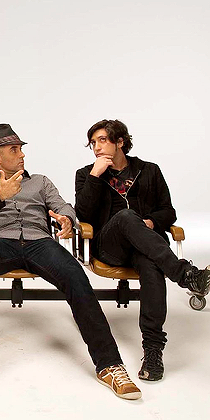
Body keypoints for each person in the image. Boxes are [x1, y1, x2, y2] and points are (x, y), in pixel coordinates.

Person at [0, 123, 141, 400]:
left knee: (75, 274)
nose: (22, 155)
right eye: (14, 150)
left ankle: (109, 365)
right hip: (0, 242)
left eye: (21, 149)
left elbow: (63, 206)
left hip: (39, 242)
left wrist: (67, 219)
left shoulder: (40, 182)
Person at [75, 119, 210, 382]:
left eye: (102, 140)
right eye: (93, 143)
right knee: (126, 217)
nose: (96, 147)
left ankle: (153, 352)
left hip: (146, 246)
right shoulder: (86, 173)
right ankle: (185, 275)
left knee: (151, 265)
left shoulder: (149, 170)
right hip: (109, 246)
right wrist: (94, 176)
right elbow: (83, 215)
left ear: (120, 142)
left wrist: (151, 222)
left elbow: (168, 211)